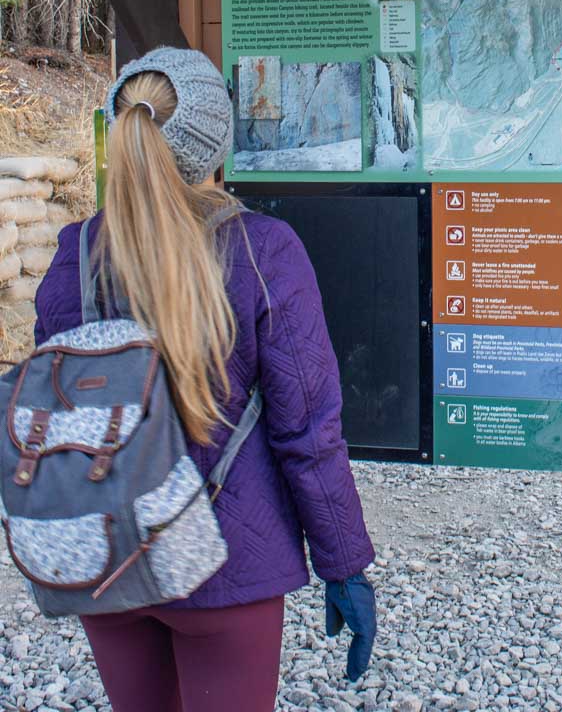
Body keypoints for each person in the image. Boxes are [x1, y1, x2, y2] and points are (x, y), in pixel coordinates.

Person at [33, 47, 376, 712]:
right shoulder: (262, 249)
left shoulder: (73, 257)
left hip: (112, 563)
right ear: (217, 143)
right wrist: (344, 563)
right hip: (229, 569)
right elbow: (306, 430)